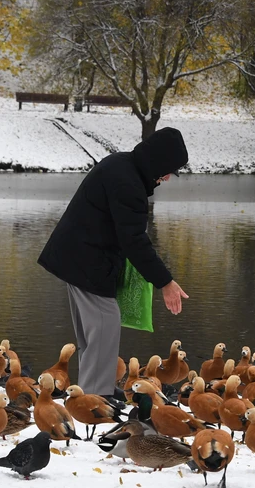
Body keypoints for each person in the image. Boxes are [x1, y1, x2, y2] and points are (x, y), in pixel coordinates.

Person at [38, 127, 190, 399]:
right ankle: (95, 400)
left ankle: (91, 393)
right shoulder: (128, 184)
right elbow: (134, 240)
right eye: (168, 170)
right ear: (157, 161)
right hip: (87, 263)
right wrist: (165, 282)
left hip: (75, 258)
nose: (167, 177)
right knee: (105, 326)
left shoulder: (121, 164)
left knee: (93, 336)